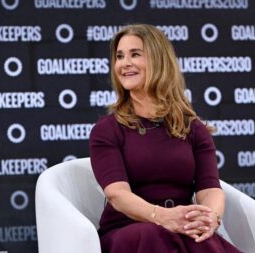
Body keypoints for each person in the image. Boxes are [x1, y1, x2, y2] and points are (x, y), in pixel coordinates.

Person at [89, 24, 241, 253]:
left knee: (201, 242)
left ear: (159, 61)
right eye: (119, 56)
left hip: (182, 227)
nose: (124, 63)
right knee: (156, 235)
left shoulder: (193, 128)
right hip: (130, 231)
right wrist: (161, 216)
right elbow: (117, 194)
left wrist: (210, 218)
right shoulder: (108, 129)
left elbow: (210, 189)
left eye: (135, 54)